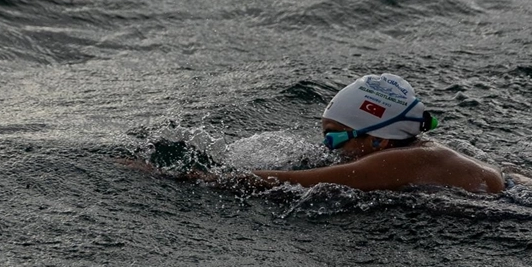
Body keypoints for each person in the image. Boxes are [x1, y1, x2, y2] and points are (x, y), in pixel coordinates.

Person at [172, 73, 506, 194]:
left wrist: (188, 178)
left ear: (378, 138)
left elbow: (293, 181)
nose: (327, 147)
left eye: (334, 136)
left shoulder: (407, 161)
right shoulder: (425, 152)